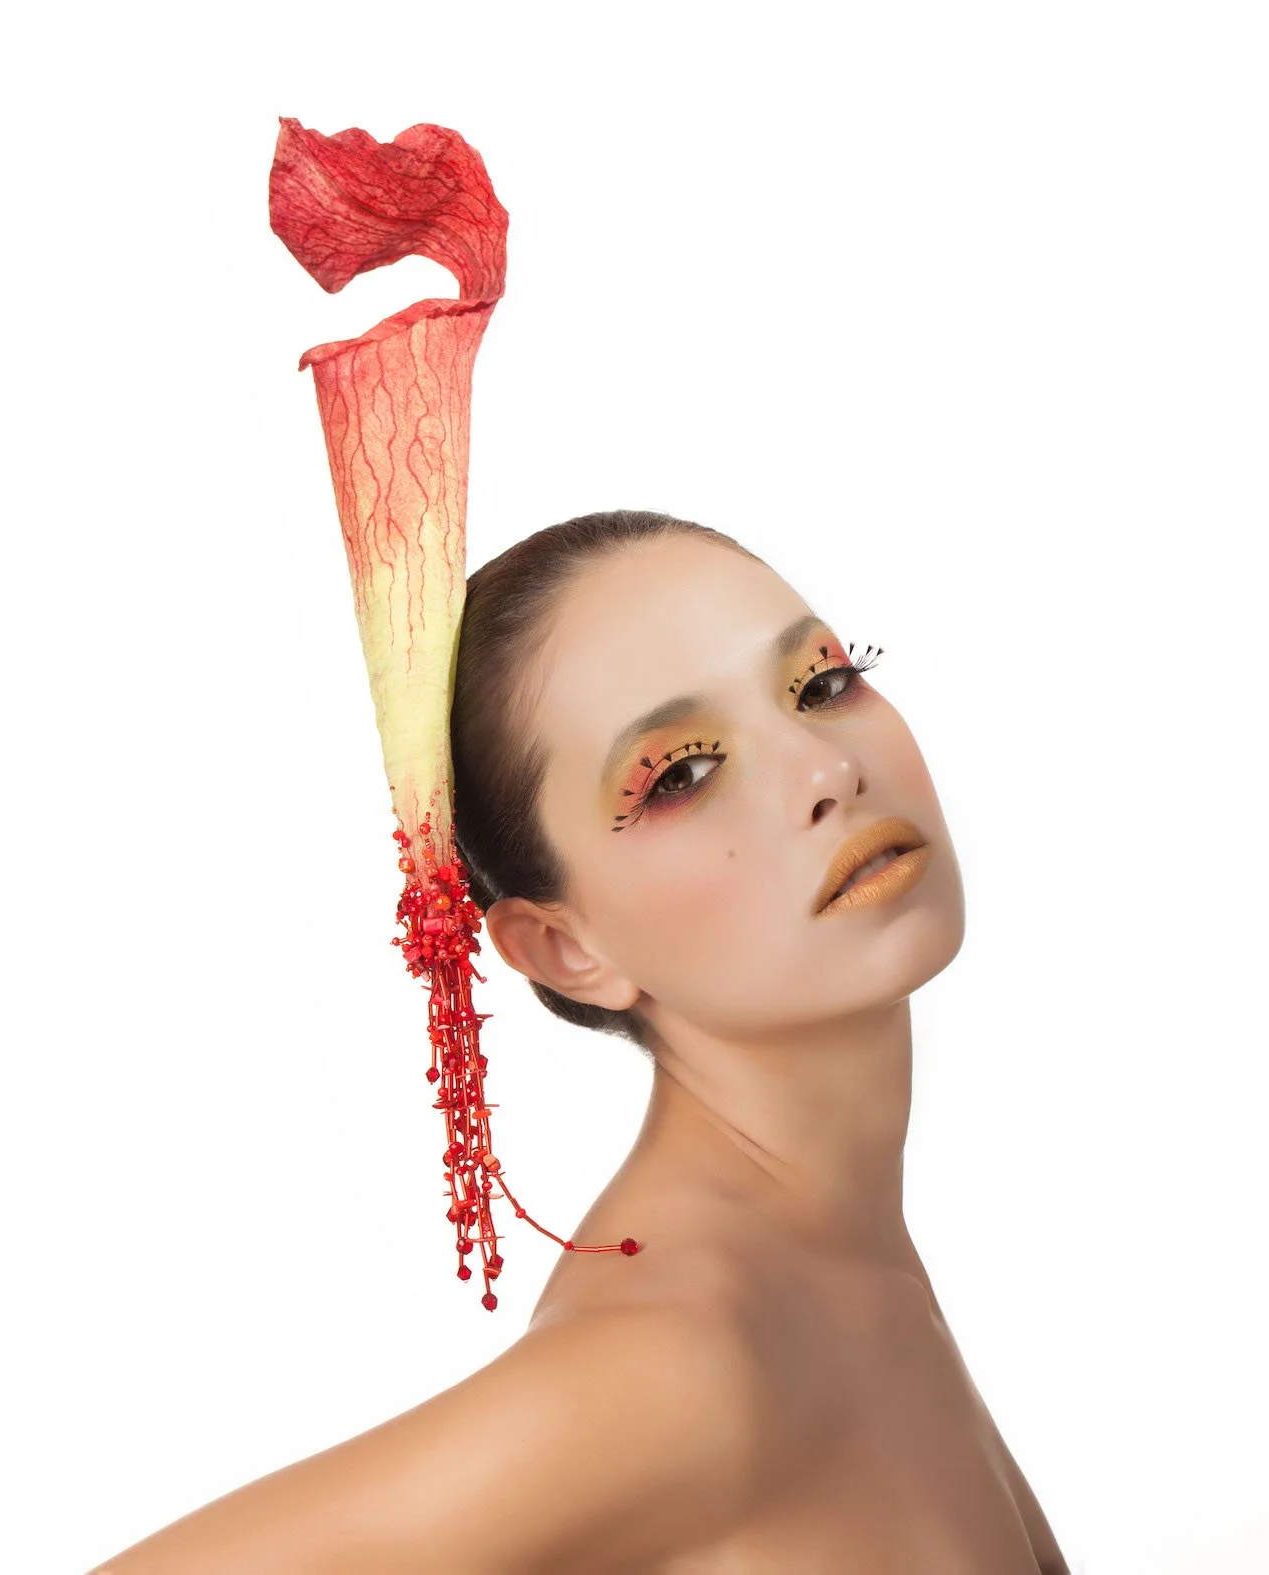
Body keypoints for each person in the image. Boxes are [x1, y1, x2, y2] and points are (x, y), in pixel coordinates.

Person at [88, 508, 1071, 1574]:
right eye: (680, 774)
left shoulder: (834, 1257)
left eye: (822, 682)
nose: (826, 769)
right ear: (565, 949)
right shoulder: (681, 1366)